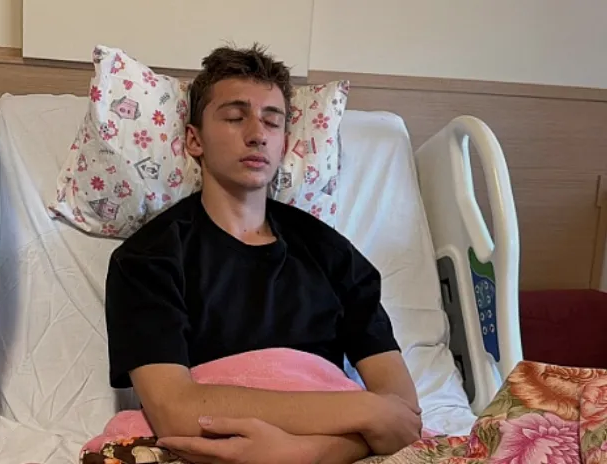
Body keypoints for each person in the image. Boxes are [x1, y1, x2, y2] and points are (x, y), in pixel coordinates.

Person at [104, 43, 422, 464]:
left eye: (272, 121)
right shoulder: (148, 260)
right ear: (195, 140)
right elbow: (176, 411)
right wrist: (364, 411)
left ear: (284, 143)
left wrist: (305, 453)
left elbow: (403, 418)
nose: (257, 134)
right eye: (235, 117)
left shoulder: (333, 255)